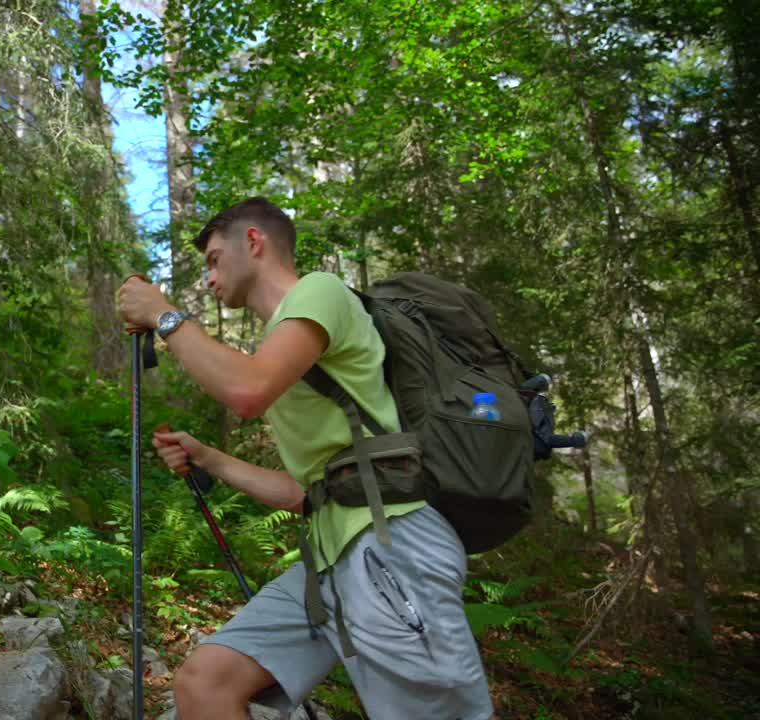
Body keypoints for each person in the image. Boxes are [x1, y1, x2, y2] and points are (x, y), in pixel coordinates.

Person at [116, 197, 493, 720]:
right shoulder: (286, 339)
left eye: (214, 260)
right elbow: (303, 492)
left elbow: (247, 390)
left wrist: (163, 314)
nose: (209, 278)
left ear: (254, 242)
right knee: (207, 684)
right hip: (332, 557)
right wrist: (211, 458)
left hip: (390, 547)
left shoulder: (320, 292)